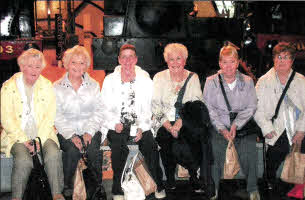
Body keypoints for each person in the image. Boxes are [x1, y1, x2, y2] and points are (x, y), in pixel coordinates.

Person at [100, 44, 166, 200]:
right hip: (117, 125)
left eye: (131, 57)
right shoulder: (109, 80)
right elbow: (104, 107)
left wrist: (142, 128)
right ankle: (117, 188)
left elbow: (150, 108)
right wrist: (113, 123)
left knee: (149, 145)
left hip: (140, 125)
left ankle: (158, 184)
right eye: (124, 57)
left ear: (136, 59)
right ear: (119, 60)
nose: (127, 60)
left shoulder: (145, 80)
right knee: (118, 145)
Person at [0, 48, 64, 200]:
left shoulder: (47, 85)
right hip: (16, 137)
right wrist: (24, 140)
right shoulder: (8, 87)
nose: (34, 70)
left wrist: (37, 140)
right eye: (30, 66)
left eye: (37, 66)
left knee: (53, 154)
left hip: (43, 134)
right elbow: (6, 119)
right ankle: (16, 197)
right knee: (23, 160)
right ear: (22, 67)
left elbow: (50, 116)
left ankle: (57, 194)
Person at [152, 43, 214, 196]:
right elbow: (154, 105)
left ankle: (194, 176)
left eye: (178, 59)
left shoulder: (192, 77)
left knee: (191, 139)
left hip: (186, 121)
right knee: (165, 139)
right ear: (166, 61)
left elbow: (197, 104)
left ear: (184, 60)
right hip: (164, 122)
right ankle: (170, 176)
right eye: (171, 59)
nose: (174, 63)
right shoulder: (159, 77)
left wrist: (179, 124)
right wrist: (168, 126)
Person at [203, 44, 260, 200]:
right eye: (225, 62)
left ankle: (253, 188)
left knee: (249, 150)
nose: (228, 66)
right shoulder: (211, 82)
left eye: (232, 61)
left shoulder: (247, 81)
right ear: (220, 63)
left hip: (241, 126)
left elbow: (251, 106)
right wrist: (222, 128)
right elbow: (209, 108)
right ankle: (213, 188)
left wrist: (236, 125)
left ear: (237, 63)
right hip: (218, 125)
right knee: (214, 150)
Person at [54, 45, 106, 199]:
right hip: (66, 130)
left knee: (92, 151)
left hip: (90, 129)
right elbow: (57, 115)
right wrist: (71, 135)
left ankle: (98, 186)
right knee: (71, 151)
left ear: (87, 65)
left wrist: (89, 132)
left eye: (82, 63)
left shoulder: (94, 85)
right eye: (74, 62)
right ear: (67, 64)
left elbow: (99, 111)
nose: (78, 67)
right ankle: (68, 187)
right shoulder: (56, 87)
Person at [255, 42, 305, 189]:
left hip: (299, 124)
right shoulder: (264, 81)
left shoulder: (301, 80)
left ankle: (299, 186)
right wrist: (266, 128)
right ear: (273, 59)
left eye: (286, 57)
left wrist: (302, 130)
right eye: (278, 57)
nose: (281, 60)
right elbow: (257, 108)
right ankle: (270, 183)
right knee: (274, 156)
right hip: (276, 126)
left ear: (292, 60)